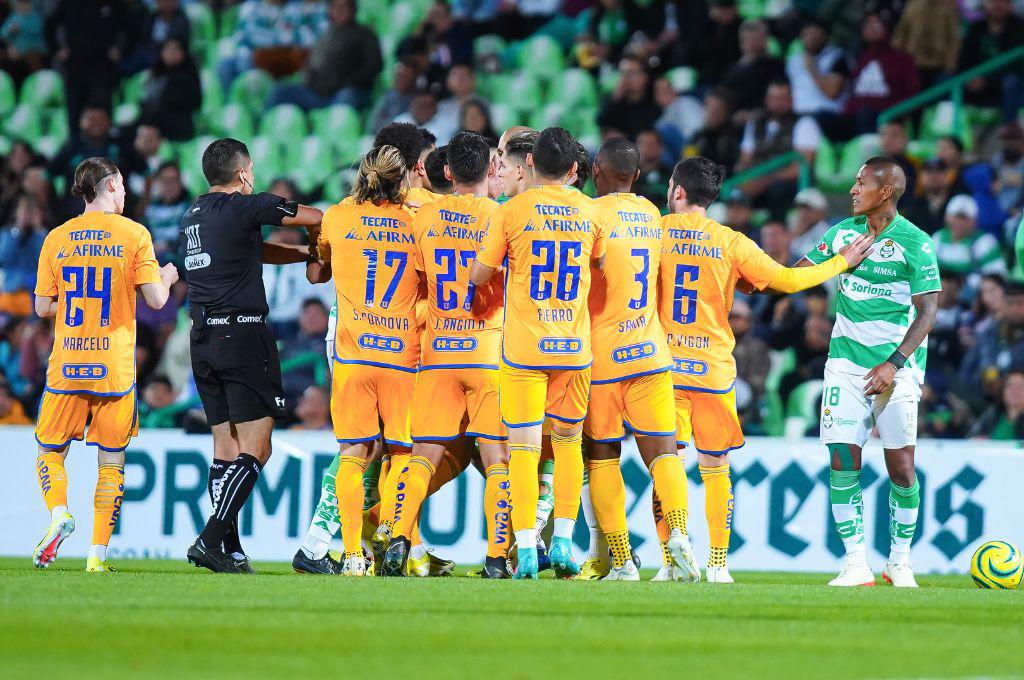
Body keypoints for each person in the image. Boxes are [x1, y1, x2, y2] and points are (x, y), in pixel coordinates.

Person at [660, 156, 871, 582]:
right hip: (712, 368)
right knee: (715, 465)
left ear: (677, 192)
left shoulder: (653, 233)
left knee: (667, 462)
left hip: (663, 365)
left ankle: (671, 559)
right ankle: (719, 565)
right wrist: (841, 262)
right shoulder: (731, 242)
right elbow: (789, 282)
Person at [468, 127, 607, 579]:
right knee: (567, 447)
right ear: (573, 170)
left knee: (524, 450)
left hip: (524, 348)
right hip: (573, 348)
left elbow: (478, 274)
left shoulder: (510, 212)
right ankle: (564, 542)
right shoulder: (590, 210)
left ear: (529, 165)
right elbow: (602, 265)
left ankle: (526, 548)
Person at [182, 138, 323, 574]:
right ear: (244, 174)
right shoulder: (247, 206)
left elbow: (253, 251)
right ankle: (210, 538)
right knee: (257, 449)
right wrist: (319, 249)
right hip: (242, 337)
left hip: (202, 337)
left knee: (225, 448)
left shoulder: (194, 216)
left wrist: (301, 255)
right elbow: (316, 217)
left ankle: (231, 549)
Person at [31, 157, 178, 572]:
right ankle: (97, 556)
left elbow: (42, 306)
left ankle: (59, 513)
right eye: (124, 186)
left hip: (68, 364)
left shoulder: (57, 238)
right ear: (111, 185)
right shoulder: (134, 234)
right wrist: (167, 276)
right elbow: (156, 300)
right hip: (114, 369)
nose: (127, 194)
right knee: (111, 463)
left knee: (50, 451)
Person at [802, 157, 940, 589]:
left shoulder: (915, 243)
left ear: (885, 192)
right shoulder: (842, 234)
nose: (852, 190)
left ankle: (899, 561)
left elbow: (928, 310)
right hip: (844, 363)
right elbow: (796, 275)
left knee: (901, 466)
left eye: (861, 183)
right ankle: (855, 562)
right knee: (843, 457)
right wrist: (838, 262)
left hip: (896, 368)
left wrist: (894, 363)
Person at [375, 131, 509, 578]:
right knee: (497, 460)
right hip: (486, 352)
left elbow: (414, 281)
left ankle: (396, 536)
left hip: (438, 353)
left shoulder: (425, 218)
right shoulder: (501, 216)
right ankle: (496, 557)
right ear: (491, 170)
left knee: (422, 455)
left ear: (447, 172)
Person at [580, 137, 698, 582]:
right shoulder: (652, 214)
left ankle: (622, 560)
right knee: (664, 454)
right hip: (651, 352)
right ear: (636, 177)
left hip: (602, 356)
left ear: (596, 171)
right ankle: (680, 537)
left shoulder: (589, 214)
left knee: (603, 455)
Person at [312, 145, 421, 576]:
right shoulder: (417, 222)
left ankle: (353, 554)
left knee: (354, 453)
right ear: (404, 180)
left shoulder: (338, 216)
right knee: (401, 452)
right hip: (400, 357)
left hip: (354, 356)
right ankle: (390, 534)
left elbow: (319, 263)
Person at [265, 0, 382, 111]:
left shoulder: (366, 34)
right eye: (336, 6)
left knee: (348, 96)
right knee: (280, 92)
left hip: (346, 90)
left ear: (353, 9)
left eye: (345, 6)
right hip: (316, 92)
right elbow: (311, 64)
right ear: (330, 10)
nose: (341, 10)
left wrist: (347, 81)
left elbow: (374, 66)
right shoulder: (324, 35)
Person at [736, 80, 823, 219]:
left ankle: (777, 230)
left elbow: (802, 166)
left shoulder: (804, 123)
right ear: (766, 99)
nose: (778, 102)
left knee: (778, 189)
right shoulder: (755, 122)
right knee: (733, 190)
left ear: (791, 100)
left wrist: (766, 180)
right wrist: (744, 180)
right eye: (774, 98)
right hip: (757, 181)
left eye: (783, 98)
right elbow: (745, 159)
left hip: (787, 182)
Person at [47, 106, 145, 223]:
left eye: (100, 119)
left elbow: (147, 172)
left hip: (117, 218)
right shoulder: (71, 147)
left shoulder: (120, 145)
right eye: (91, 119)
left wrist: (143, 205)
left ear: (108, 121)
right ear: (81, 122)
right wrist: (49, 207)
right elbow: (46, 176)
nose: (96, 123)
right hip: (74, 217)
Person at [44, 0, 129, 131]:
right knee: (74, 114)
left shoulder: (114, 3)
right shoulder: (69, 3)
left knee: (101, 112)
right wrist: (56, 50)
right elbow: (49, 25)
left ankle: (105, 149)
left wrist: (122, 50)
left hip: (103, 68)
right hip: (75, 68)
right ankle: (75, 147)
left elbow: (132, 28)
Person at [845, 13, 921, 136]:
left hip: (887, 115)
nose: (872, 28)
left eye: (877, 25)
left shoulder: (902, 59)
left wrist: (894, 112)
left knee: (865, 114)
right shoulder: (860, 58)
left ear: (887, 28)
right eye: (868, 25)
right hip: (856, 114)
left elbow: (912, 93)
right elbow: (852, 93)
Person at [959, 0, 1024, 123]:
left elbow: (1017, 65)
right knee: (945, 80)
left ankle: (1010, 128)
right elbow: (964, 60)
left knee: (1011, 82)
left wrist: (988, 79)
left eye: (1004, 2)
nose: (998, 6)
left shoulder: (1020, 28)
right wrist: (970, 78)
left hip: (1007, 83)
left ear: (1010, 6)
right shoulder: (976, 28)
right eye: (994, 1)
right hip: (977, 83)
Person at [786, 19, 849, 139]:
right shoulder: (793, 61)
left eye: (816, 34)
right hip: (797, 114)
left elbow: (832, 92)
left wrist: (812, 69)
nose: (812, 38)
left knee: (806, 126)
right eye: (808, 34)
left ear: (825, 36)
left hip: (827, 115)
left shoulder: (837, 57)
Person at [932, 195, 1007, 292]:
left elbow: (998, 276)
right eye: (956, 217)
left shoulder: (985, 242)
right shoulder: (938, 238)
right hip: (942, 295)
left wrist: (967, 283)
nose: (959, 223)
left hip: (975, 298)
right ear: (946, 218)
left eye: (964, 219)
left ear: (974, 222)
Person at [720, 19, 785, 121]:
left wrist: (754, 114)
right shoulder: (732, 70)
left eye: (755, 38)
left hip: (766, 116)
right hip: (735, 119)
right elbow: (725, 96)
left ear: (766, 39)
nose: (751, 43)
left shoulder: (777, 66)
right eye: (747, 39)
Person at [139, 38, 202, 142]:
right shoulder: (156, 74)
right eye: (167, 49)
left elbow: (195, 103)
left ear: (183, 53)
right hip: (155, 123)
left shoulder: (188, 75)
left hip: (180, 126)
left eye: (175, 49)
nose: (171, 53)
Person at [892, 0, 960, 87]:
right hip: (914, 63)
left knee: (937, 96)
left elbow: (954, 38)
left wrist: (950, 66)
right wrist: (899, 62)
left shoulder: (948, 6)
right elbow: (901, 35)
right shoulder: (912, 5)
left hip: (940, 65)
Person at [0, 195, 47, 317]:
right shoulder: (7, 234)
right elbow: (3, 258)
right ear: (16, 212)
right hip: (10, 292)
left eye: (30, 211)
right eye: (24, 210)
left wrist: (38, 229)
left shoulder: (39, 236)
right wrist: (18, 228)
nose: (27, 215)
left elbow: (44, 260)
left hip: (31, 295)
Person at [597, 56, 662, 141]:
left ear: (644, 77)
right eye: (622, 73)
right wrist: (615, 99)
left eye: (631, 73)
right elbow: (600, 121)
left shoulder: (654, 98)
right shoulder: (612, 98)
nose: (626, 78)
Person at [143, 161, 192, 257]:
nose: (170, 185)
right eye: (165, 180)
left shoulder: (190, 208)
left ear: (180, 181)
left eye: (173, 180)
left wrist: (168, 245)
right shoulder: (150, 209)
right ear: (158, 183)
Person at [688, 88, 741, 174]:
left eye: (717, 109)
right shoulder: (697, 137)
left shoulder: (733, 138)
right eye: (707, 106)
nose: (711, 112)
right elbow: (686, 161)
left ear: (727, 112)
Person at [878, 120, 918, 202]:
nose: (887, 139)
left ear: (905, 139)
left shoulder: (916, 166)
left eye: (894, 135)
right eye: (883, 134)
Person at [789, 187, 832, 261]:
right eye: (800, 209)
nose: (803, 214)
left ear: (821, 211)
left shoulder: (826, 232)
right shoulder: (795, 227)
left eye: (808, 210)